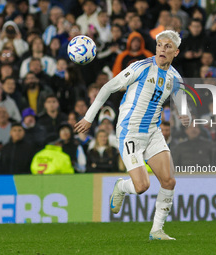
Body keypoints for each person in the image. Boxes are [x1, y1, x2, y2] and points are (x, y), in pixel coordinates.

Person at [74, 30, 190, 240]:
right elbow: (108, 88)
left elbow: (181, 99)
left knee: (169, 182)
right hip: (130, 131)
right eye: (160, 45)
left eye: (168, 46)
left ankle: (157, 230)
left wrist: (185, 114)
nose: (163, 49)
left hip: (153, 132)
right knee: (142, 186)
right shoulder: (141, 67)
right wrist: (89, 117)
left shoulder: (175, 77)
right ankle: (121, 186)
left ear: (176, 52)